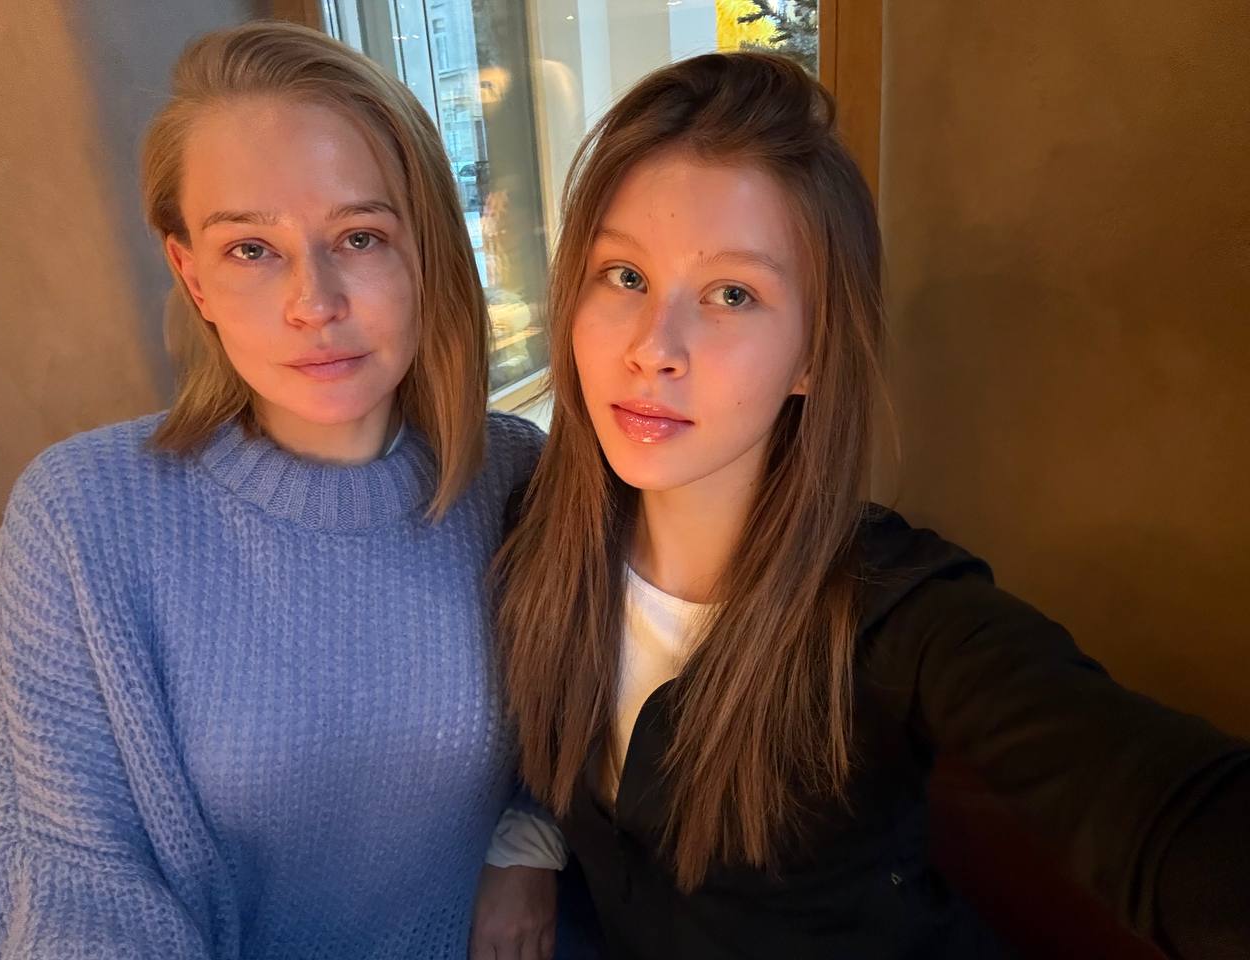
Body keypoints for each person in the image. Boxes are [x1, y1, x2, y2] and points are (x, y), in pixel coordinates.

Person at [495, 52, 1250, 959]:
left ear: (814, 355)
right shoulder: (535, 532)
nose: (655, 346)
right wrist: (523, 848)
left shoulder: (902, 621)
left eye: (733, 294)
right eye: (624, 276)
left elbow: (1167, 816)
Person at [0, 21, 565, 960]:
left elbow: (587, 721)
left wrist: (530, 844)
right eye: (250, 249)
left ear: (428, 252)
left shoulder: (514, 476)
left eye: (360, 236)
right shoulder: (82, 516)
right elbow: (73, 875)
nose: (313, 302)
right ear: (192, 274)